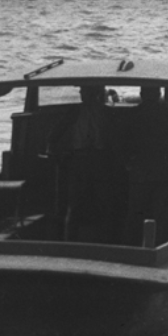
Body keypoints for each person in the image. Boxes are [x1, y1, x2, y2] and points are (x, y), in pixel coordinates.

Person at [52, 85, 116, 242]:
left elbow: (55, 134)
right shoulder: (80, 112)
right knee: (84, 204)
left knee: (96, 203)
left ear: (93, 93)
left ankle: (101, 241)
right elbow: (55, 134)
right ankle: (74, 242)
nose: (80, 93)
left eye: (84, 90)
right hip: (88, 160)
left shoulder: (101, 112)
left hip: (93, 160)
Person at [124, 85, 168, 244]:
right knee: (161, 215)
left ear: (142, 95)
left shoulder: (133, 114)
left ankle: (130, 246)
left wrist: (128, 162)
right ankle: (160, 245)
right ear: (158, 94)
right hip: (164, 171)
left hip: (140, 172)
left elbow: (123, 140)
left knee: (135, 213)